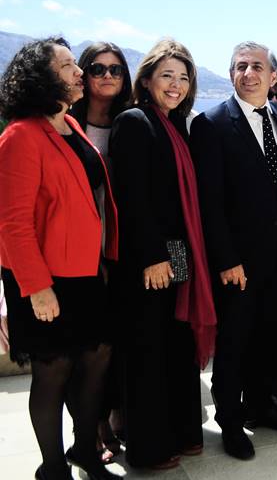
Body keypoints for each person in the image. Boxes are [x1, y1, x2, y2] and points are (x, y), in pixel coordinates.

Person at [0, 37, 121, 480]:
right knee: (53, 371)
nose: (79, 72)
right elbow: (12, 222)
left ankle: (84, 450)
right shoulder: (20, 135)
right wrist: (37, 288)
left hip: (84, 272)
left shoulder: (69, 124)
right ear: (43, 77)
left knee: (97, 357)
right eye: (69, 65)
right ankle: (52, 468)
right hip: (45, 278)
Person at [110, 39, 216, 469]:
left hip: (179, 250)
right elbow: (132, 196)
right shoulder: (135, 121)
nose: (176, 84)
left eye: (183, 77)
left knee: (176, 342)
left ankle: (182, 432)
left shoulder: (175, 124)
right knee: (148, 349)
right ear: (147, 80)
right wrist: (153, 256)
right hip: (150, 254)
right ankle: (149, 448)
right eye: (167, 75)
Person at [189, 42, 277, 460]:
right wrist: (227, 259)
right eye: (240, 66)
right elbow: (210, 202)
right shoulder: (212, 123)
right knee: (234, 343)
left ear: (273, 76)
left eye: (256, 66)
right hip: (238, 260)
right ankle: (230, 422)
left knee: (269, 336)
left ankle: (262, 406)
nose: (248, 73)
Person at [67, 41, 132, 460]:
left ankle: (114, 416)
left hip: (124, 250)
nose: (107, 76)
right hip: (78, 254)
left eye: (115, 69)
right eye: (97, 68)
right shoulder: (66, 124)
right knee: (85, 348)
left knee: (117, 343)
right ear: (83, 74)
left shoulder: (134, 120)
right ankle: (89, 429)